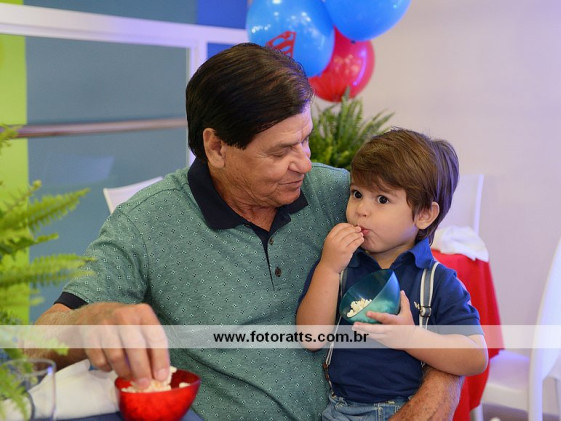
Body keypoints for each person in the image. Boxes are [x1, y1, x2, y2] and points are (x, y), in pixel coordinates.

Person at [32, 43, 464, 420]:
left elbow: (430, 293)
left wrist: (436, 391)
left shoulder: (343, 197)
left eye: (305, 139)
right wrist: (89, 321)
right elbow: (36, 342)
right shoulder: (146, 222)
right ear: (216, 147)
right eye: (281, 151)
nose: (305, 163)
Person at [296, 129, 488, 420]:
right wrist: (328, 268)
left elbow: (476, 356)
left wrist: (411, 337)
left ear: (424, 215)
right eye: (357, 194)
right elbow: (311, 338)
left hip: (404, 409)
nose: (362, 209)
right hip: (339, 409)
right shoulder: (343, 263)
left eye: (382, 200)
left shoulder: (437, 280)